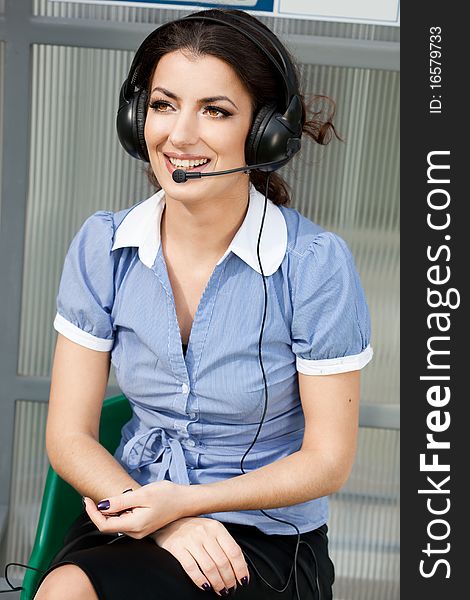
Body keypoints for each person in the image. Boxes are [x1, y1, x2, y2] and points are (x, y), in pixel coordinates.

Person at [34, 8, 372, 600]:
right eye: (163, 105)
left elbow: (327, 461)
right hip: (137, 514)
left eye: (214, 110)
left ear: (266, 132)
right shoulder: (102, 247)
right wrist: (164, 518)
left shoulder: (314, 264)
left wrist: (190, 504)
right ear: (136, 116)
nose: (179, 136)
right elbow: (69, 435)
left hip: (264, 536)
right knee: (66, 591)